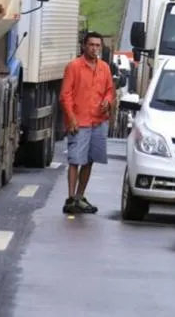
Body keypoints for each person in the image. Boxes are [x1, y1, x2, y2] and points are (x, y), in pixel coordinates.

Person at [59, 32, 116, 215]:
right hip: (80, 121)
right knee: (76, 160)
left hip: (98, 121)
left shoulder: (104, 68)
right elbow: (65, 95)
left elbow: (109, 91)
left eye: (98, 45)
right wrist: (72, 118)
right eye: (91, 45)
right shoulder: (74, 67)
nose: (94, 48)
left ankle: (80, 196)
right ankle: (70, 199)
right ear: (84, 46)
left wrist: (107, 101)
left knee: (90, 160)